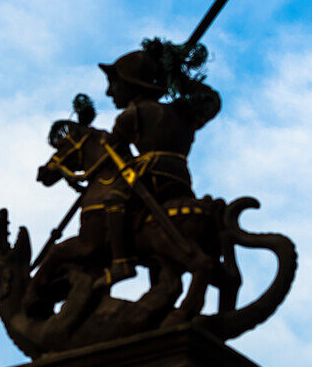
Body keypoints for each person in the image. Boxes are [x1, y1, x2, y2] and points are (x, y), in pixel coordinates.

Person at [94, 43, 222, 286]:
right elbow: (212, 100)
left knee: (113, 200)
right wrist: (180, 79)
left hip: (150, 175)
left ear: (131, 83)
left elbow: (116, 156)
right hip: (180, 177)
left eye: (114, 84)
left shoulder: (131, 116)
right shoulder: (182, 112)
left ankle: (121, 263)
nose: (110, 93)